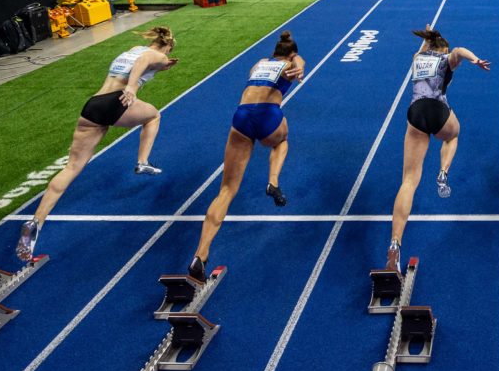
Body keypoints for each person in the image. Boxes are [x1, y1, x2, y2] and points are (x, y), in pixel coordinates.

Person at [16, 27, 178, 260]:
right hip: (117, 101)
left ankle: (35, 222)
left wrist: (156, 69)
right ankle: (142, 161)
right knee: (153, 116)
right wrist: (133, 86)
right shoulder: (157, 55)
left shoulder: (131, 50)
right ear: (167, 46)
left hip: (92, 106)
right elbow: (145, 61)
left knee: (71, 168)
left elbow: (139, 59)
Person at [190, 31, 305, 279]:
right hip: (267, 115)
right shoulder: (291, 63)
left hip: (241, 117)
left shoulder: (259, 63)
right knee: (282, 140)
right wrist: (298, 66)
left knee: (227, 190)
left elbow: (283, 65)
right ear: (292, 53)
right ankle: (273, 182)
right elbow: (298, 64)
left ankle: (201, 254)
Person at [385, 27, 490, 271]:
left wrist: (427, 37)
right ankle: (443, 171)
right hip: (438, 111)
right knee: (453, 135)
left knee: (408, 181)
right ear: (443, 49)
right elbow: (459, 51)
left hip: (416, 113)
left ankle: (395, 243)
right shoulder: (446, 58)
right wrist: (474, 60)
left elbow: (423, 48)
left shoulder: (418, 58)